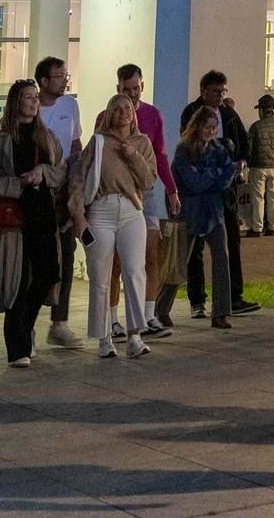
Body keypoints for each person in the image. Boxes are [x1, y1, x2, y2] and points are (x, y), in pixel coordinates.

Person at [0, 78, 76, 367]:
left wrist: (43, 172)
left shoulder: (47, 137)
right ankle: (17, 347)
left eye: (35, 97)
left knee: (47, 273)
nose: (33, 101)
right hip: (15, 219)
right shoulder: (1, 140)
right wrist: (19, 183)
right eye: (28, 97)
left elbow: (61, 170)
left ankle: (25, 329)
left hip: (43, 214)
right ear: (16, 102)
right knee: (16, 281)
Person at [74, 93, 156, 357]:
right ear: (109, 113)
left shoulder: (142, 142)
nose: (124, 112)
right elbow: (78, 177)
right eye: (118, 108)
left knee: (134, 271)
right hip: (101, 209)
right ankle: (104, 338)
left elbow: (148, 181)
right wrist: (78, 215)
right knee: (101, 277)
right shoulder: (98, 142)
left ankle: (135, 335)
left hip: (132, 210)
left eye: (128, 108)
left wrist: (133, 156)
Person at [181, 71, 261, 317]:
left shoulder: (228, 114)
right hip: (199, 194)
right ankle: (197, 300)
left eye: (223, 91)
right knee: (194, 246)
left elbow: (244, 145)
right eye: (216, 91)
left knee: (229, 244)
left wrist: (242, 161)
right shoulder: (191, 113)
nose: (220, 96)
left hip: (225, 192)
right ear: (204, 90)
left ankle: (230, 299)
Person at [116, 63, 181, 340]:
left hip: (146, 192)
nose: (132, 94)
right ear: (118, 88)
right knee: (118, 260)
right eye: (126, 89)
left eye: (136, 88)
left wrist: (172, 189)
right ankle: (113, 319)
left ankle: (149, 314)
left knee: (151, 252)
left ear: (142, 85)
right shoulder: (108, 116)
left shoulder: (152, 114)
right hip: (118, 192)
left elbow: (161, 154)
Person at [33, 55, 85, 349]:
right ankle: (27, 320)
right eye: (59, 76)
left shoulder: (70, 105)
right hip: (39, 188)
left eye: (66, 76)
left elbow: (75, 143)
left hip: (64, 190)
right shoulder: (32, 107)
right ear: (43, 81)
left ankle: (59, 322)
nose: (65, 81)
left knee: (65, 254)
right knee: (36, 257)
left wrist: (77, 181)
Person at [172, 105, 239, 325]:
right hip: (190, 212)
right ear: (197, 126)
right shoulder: (184, 150)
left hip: (213, 211)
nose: (211, 131)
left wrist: (211, 176)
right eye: (207, 127)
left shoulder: (217, 149)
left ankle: (221, 312)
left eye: (214, 127)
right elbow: (192, 182)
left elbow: (228, 175)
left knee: (221, 256)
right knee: (180, 260)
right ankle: (161, 308)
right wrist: (215, 176)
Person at [248, 95, 274, 236]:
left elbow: (249, 149)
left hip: (258, 166)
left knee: (258, 198)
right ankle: (272, 226)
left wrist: (248, 162)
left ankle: (257, 228)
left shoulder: (255, 127)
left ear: (262, 110)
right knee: (273, 197)